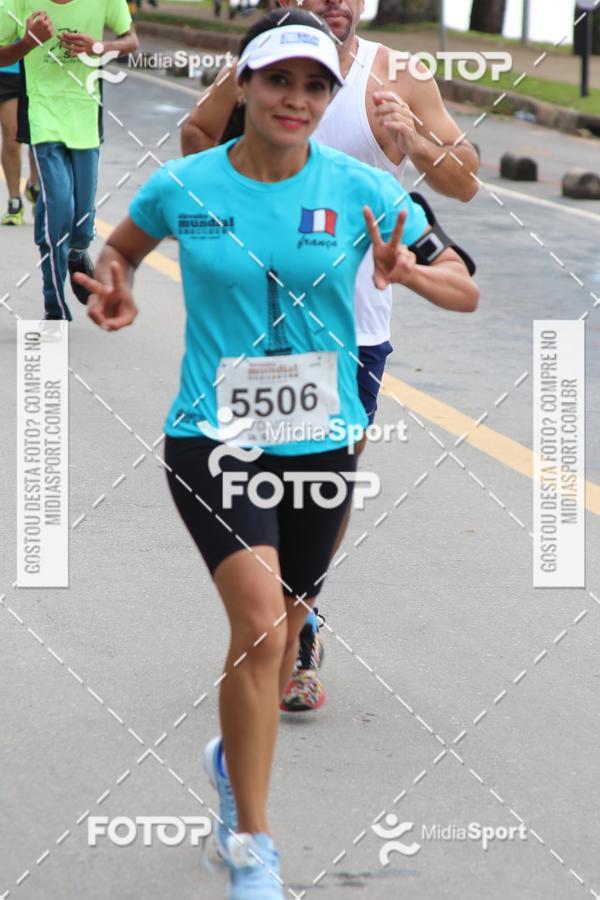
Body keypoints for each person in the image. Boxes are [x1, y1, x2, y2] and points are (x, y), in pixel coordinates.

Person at [74, 11, 478, 896]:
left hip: (321, 440)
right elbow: (124, 248)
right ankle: (251, 843)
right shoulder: (184, 185)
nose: (295, 99)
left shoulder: (363, 189)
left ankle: (232, 756)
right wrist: (116, 287)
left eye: (312, 86)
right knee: (260, 624)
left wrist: (408, 271)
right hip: (212, 437)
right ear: (244, 86)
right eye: (277, 81)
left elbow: (466, 286)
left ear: (327, 95)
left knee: (287, 624)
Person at [180, 0, 480, 714]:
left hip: (354, 330)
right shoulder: (265, 65)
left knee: (322, 482)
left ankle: (299, 619)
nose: (333, 5)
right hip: (258, 323)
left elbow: (464, 180)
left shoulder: (399, 74)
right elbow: (196, 130)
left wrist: (413, 142)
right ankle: (270, 620)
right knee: (257, 475)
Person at [0, 1, 138, 320]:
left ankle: (77, 252)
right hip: (43, 113)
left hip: (85, 113)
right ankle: (54, 305)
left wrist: (100, 46)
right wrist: (27, 43)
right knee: (58, 205)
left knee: (82, 220)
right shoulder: (18, 2)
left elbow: (131, 41)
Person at [0, 58, 38, 225]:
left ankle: (35, 186)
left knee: (38, 135)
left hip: (38, 66)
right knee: (12, 138)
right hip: (7, 68)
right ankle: (14, 201)